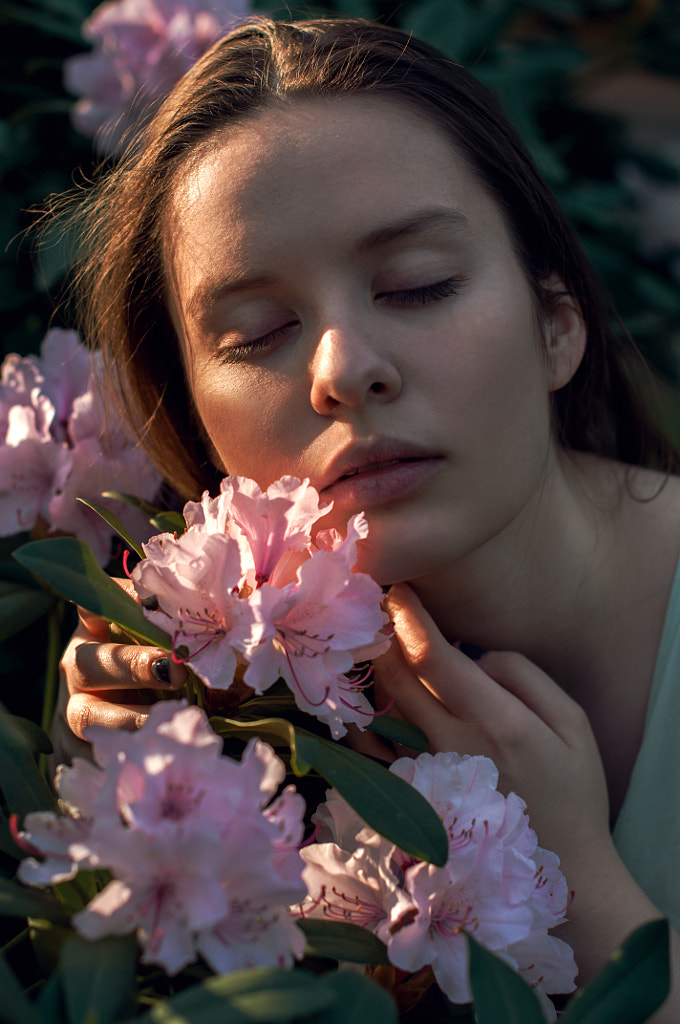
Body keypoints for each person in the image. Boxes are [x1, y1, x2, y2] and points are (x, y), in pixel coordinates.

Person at [53, 15, 680, 1013]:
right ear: (190, 413)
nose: (344, 370)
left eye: (416, 285)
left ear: (555, 325)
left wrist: (588, 892)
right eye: (257, 335)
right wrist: (132, 797)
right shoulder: (244, 727)